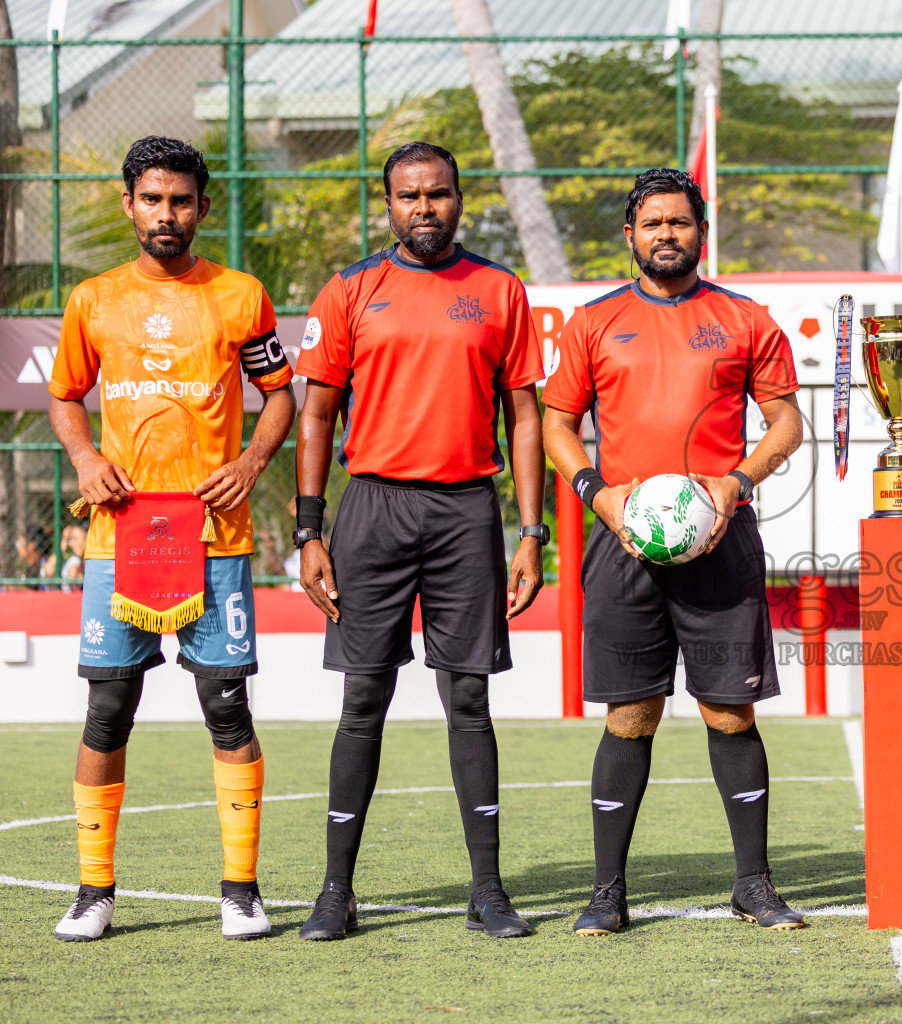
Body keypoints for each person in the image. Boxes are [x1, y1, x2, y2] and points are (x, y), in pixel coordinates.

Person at [293, 141, 547, 941]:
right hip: (370, 509)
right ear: (388, 205)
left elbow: (527, 417)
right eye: (408, 197)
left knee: (467, 696)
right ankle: (336, 891)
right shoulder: (350, 290)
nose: (424, 209)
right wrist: (309, 529)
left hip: (467, 510)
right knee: (362, 695)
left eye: (438, 195)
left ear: (461, 200)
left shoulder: (500, 291)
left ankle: (488, 889)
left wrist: (532, 532)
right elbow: (316, 415)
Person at [542, 167, 805, 935]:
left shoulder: (744, 318)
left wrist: (735, 482)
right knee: (631, 714)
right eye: (652, 223)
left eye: (680, 223)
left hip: (721, 539)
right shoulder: (592, 323)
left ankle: (753, 885)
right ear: (630, 235)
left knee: (730, 711)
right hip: (624, 539)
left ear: (701, 232)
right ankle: (606, 893)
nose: (667, 234)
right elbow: (558, 425)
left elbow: (786, 423)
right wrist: (599, 491)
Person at [46, 136, 296, 941]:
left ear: (202, 207)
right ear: (129, 204)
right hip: (119, 539)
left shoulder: (241, 296)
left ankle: (240, 890)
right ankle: (93, 890)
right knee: (108, 706)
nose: (166, 214)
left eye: (181, 201)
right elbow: (64, 397)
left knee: (226, 705)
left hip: (215, 539)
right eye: (152, 199)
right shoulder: (93, 299)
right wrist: (86, 458)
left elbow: (280, 396)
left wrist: (253, 461)